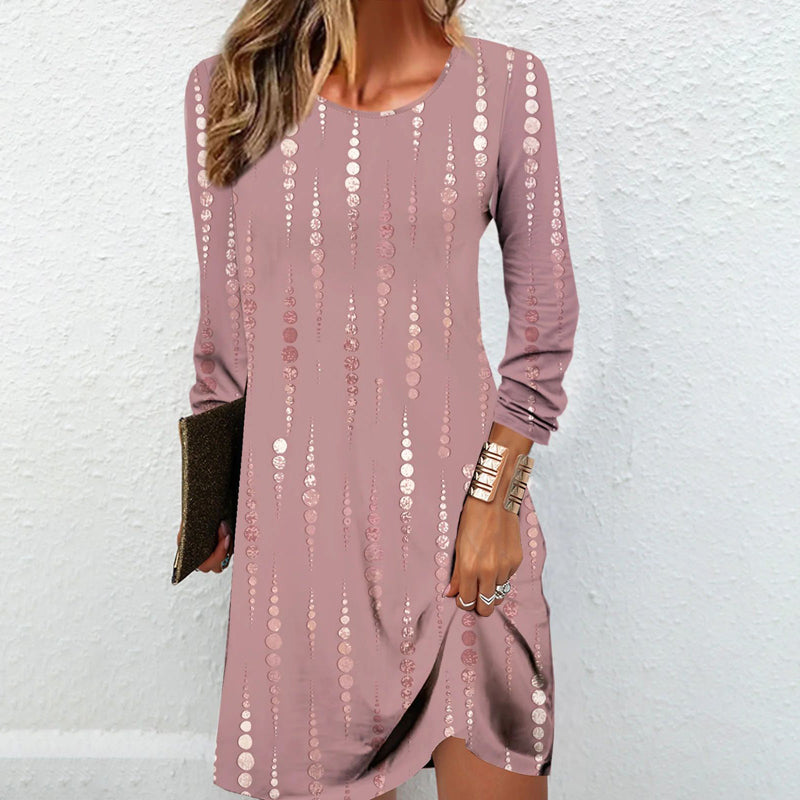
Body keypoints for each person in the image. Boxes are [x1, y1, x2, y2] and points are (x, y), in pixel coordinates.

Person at [176, 1, 579, 798]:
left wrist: (497, 498)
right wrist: (211, 495)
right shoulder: (230, 91)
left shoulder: (505, 86)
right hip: (301, 544)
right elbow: (226, 327)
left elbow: (545, 313)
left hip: (464, 536)